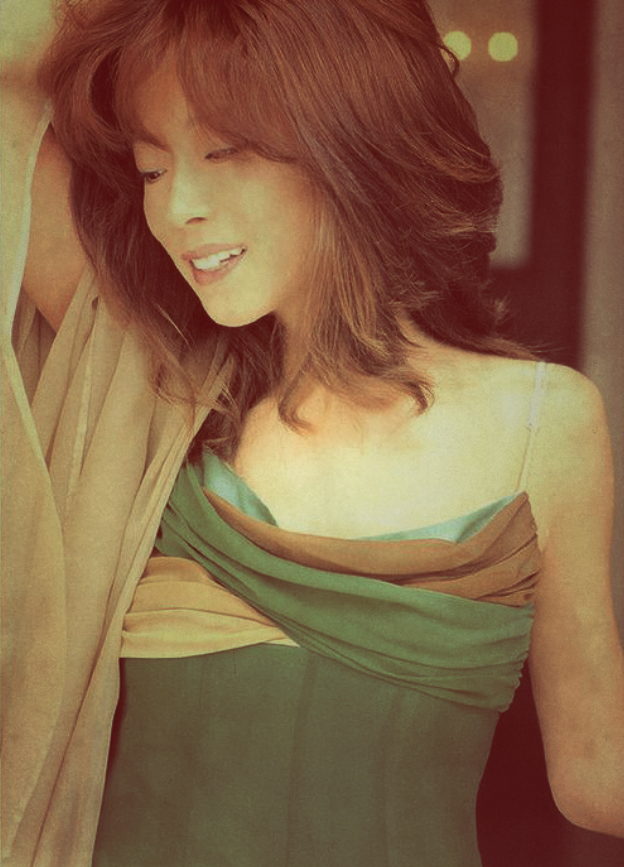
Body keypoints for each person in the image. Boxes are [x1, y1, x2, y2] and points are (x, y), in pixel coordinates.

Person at [2, 0, 623, 865]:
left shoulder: (541, 421)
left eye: (225, 152)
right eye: (151, 169)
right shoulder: (158, 392)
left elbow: (595, 770)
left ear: (352, 139)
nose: (178, 207)